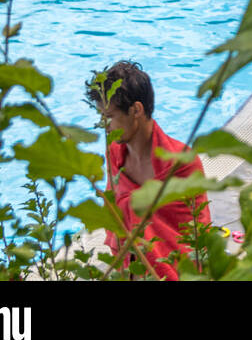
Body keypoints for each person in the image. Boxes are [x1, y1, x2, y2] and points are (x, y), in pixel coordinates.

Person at [86, 61, 211, 281]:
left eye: (110, 117)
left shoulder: (182, 164)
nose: (104, 125)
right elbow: (113, 210)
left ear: (136, 110)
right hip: (130, 271)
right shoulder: (115, 151)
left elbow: (198, 239)